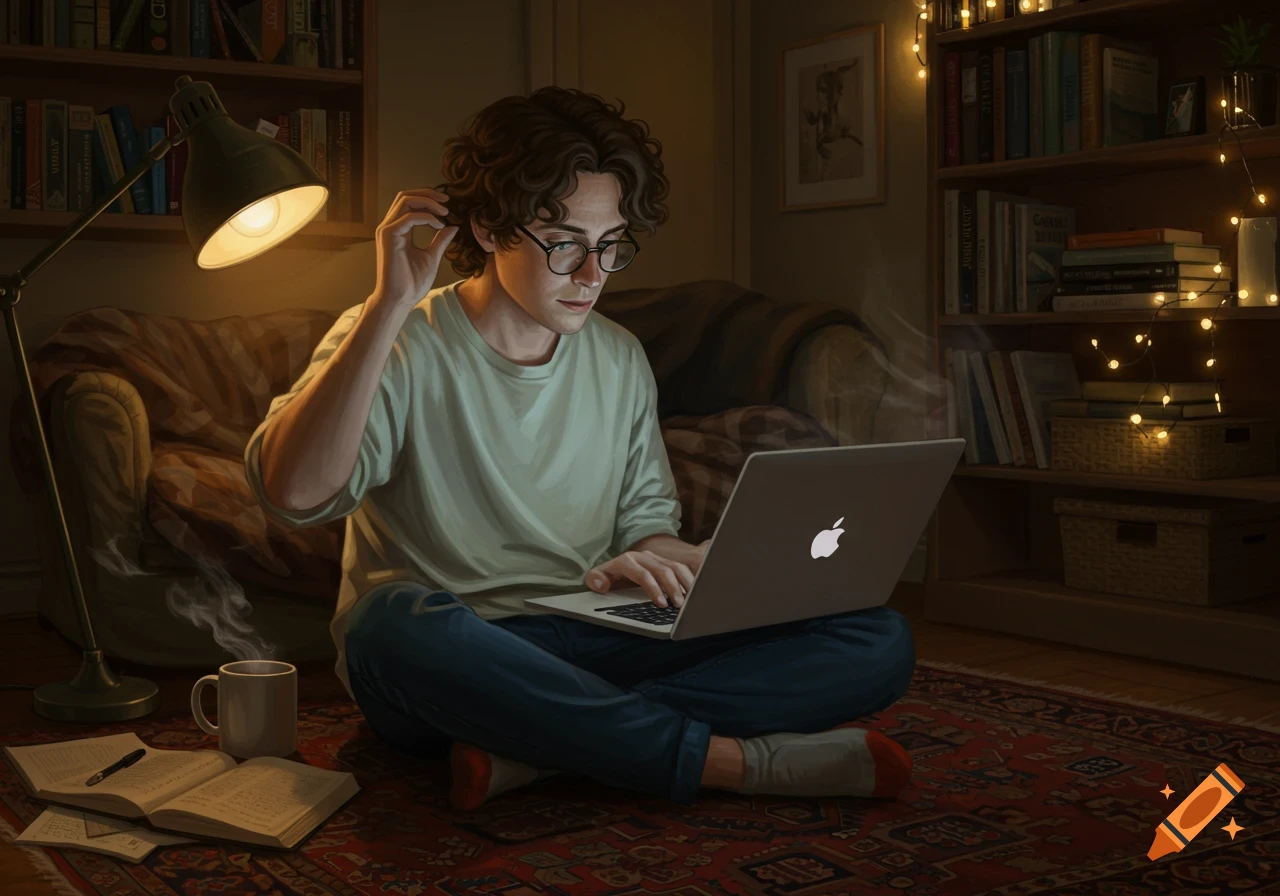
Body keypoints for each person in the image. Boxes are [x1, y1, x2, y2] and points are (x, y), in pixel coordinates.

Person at [245, 86, 915, 811]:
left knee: (875, 638)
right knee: (387, 625)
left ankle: (544, 749)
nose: (592, 274)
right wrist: (386, 308)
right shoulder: (395, 338)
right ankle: (723, 762)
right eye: (564, 242)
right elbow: (293, 495)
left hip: (594, 633)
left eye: (611, 245)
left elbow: (645, 520)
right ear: (491, 226)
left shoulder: (620, 357)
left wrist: (675, 559)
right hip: (466, 652)